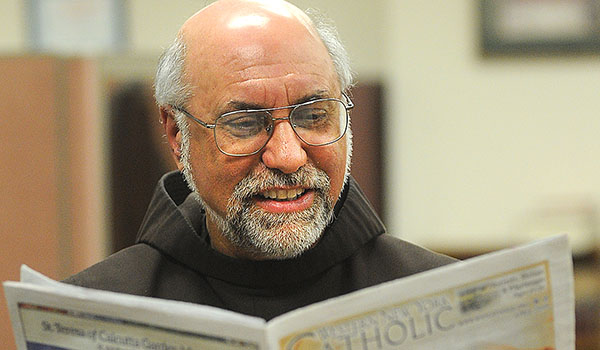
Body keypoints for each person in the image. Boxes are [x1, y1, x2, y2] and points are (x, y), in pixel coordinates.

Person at [65, 0, 455, 320]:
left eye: (314, 116)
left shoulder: (444, 298)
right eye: (246, 124)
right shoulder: (96, 311)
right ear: (176, 134)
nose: (287, 156)